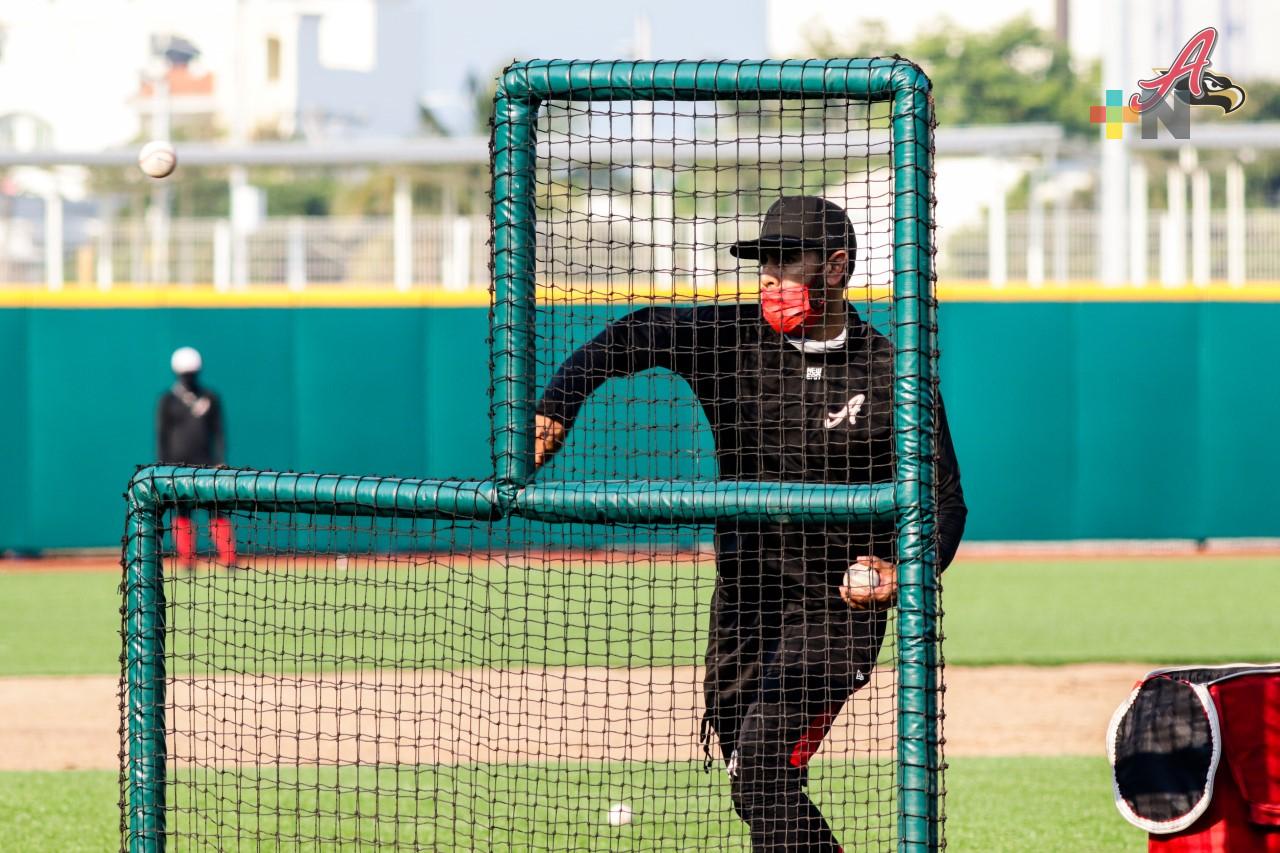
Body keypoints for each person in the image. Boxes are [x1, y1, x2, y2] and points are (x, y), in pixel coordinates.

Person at [533, 196, 967, 852]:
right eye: (762, 261)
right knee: (752, 783)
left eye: (786, 261)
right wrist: (559, 404)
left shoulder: (890, 372)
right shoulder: (731, 338)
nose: (768, 276)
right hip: (745, 602)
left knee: (762, 769)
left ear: (837, 266)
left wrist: (903, 569)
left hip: (835, 612)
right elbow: (635, 334)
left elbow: (946, 501)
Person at [156, 346, 235, 570]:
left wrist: (220, 459)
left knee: (216, 509)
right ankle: (187, 560)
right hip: (177, 467)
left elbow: (219, 432)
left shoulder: (210, 397)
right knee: (182, 510)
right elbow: (161, 435)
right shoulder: (167, 400)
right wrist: (163, 467)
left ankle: (229, 558)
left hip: (207, 466)